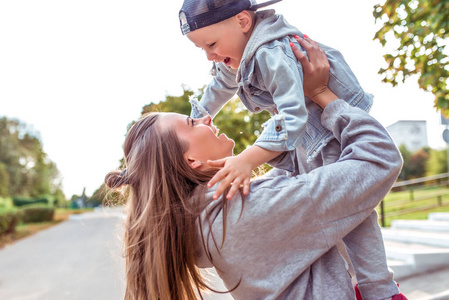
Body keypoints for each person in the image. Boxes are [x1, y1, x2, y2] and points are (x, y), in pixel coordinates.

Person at [105, 40, 405, 299]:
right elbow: (378, 159)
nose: (206, 119)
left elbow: (306, 172)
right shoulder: (245, 211)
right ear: (191, 161)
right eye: (191, 123)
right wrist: (323, 95)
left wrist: (287, 107)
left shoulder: (214, 213)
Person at [178, 1, 406, 299]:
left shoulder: (270, 53)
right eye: (203, 50)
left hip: (328, 132)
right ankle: (361, 284)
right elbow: (221, 83)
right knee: (339, 213)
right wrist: (199, 116)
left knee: (354, 215)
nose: (210, 56)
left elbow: (292, 116)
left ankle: (380, 289)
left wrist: (248, 158)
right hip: (308, 137)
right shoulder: (239, 52)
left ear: (243, 22)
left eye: (212, 44)